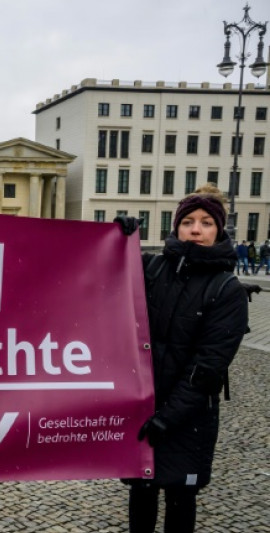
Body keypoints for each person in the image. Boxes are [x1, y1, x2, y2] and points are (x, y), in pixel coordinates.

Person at [117, 184, 249, 533]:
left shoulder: (226, 289)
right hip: (143, 406)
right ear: (175, 227)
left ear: (219, 230)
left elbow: (207, 368)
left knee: (180, 498)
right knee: (141, 494)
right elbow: (101, 272)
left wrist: (167, 418)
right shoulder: (152, 268)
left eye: (206, 222)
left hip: (188, 417)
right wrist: (118, 238)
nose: (195, 229)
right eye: (188, 221)